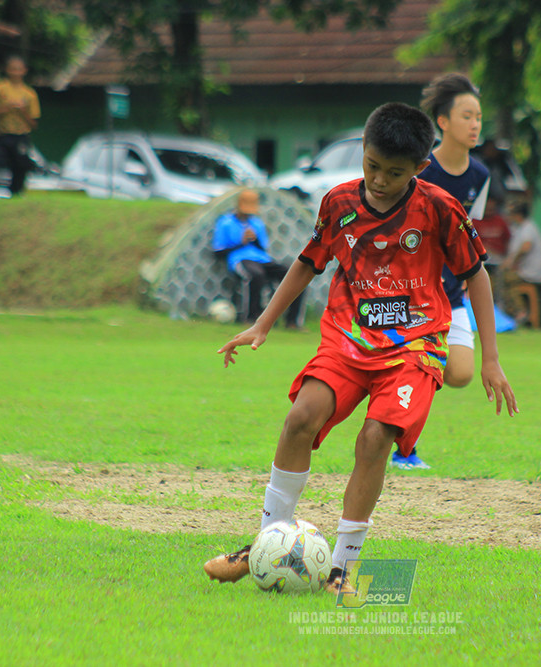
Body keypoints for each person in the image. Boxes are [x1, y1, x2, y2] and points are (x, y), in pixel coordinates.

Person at [203, 102, 517, 594]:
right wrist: (262, 325)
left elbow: (476, 275)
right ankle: (265, 542)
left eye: (394, 173)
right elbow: (309, 261)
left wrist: (491, 359)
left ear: (420, 167)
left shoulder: (438, 209)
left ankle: (342, 571)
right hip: (348, 341)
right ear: (363, 154)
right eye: (372, 166)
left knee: (375, 439)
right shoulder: (339, 204)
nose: (379, 180)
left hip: (416, 346)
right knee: (300, 418)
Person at [390, 71, 490, 471]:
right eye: (467, 115)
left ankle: (397, 425)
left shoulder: (479, 176)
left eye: (479, 116)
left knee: (461, 373)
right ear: (443, 122)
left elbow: (469, 236)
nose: (475, 124)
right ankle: (404, 449)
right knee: (420, 366)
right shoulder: (419, 170)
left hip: (452, 293)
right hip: (408, 293)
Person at [211, 189, 304, 328]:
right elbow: (218, 251)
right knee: (256, 275)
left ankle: (292, 321)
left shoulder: (256, 223)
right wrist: (240, 242)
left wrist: (254, 240)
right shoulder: (225, 222)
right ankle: (250, 318)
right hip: (240, 259)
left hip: (262, 259)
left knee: (295, 275)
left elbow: (263, 248)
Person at [0, 55, 40, 198]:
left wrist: (23, 111)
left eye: (19, 69)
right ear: (7, 70)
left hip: (20, 137)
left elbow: (34, 124)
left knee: (21, 168)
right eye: (13, 69)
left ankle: (15, 197)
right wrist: (5, 109)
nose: (16, 72)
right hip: (0, 136)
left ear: (24, 71)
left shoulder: (29, 94)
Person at [500, 199, 541, 321]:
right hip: (522, 270)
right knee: (505, 280)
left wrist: (512, 263)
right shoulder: (519, 228)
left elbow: (526, 247)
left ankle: (518, 311)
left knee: (502, 278)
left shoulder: (528, 228)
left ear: (518, 215)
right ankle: (512, 312)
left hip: (530, 272)